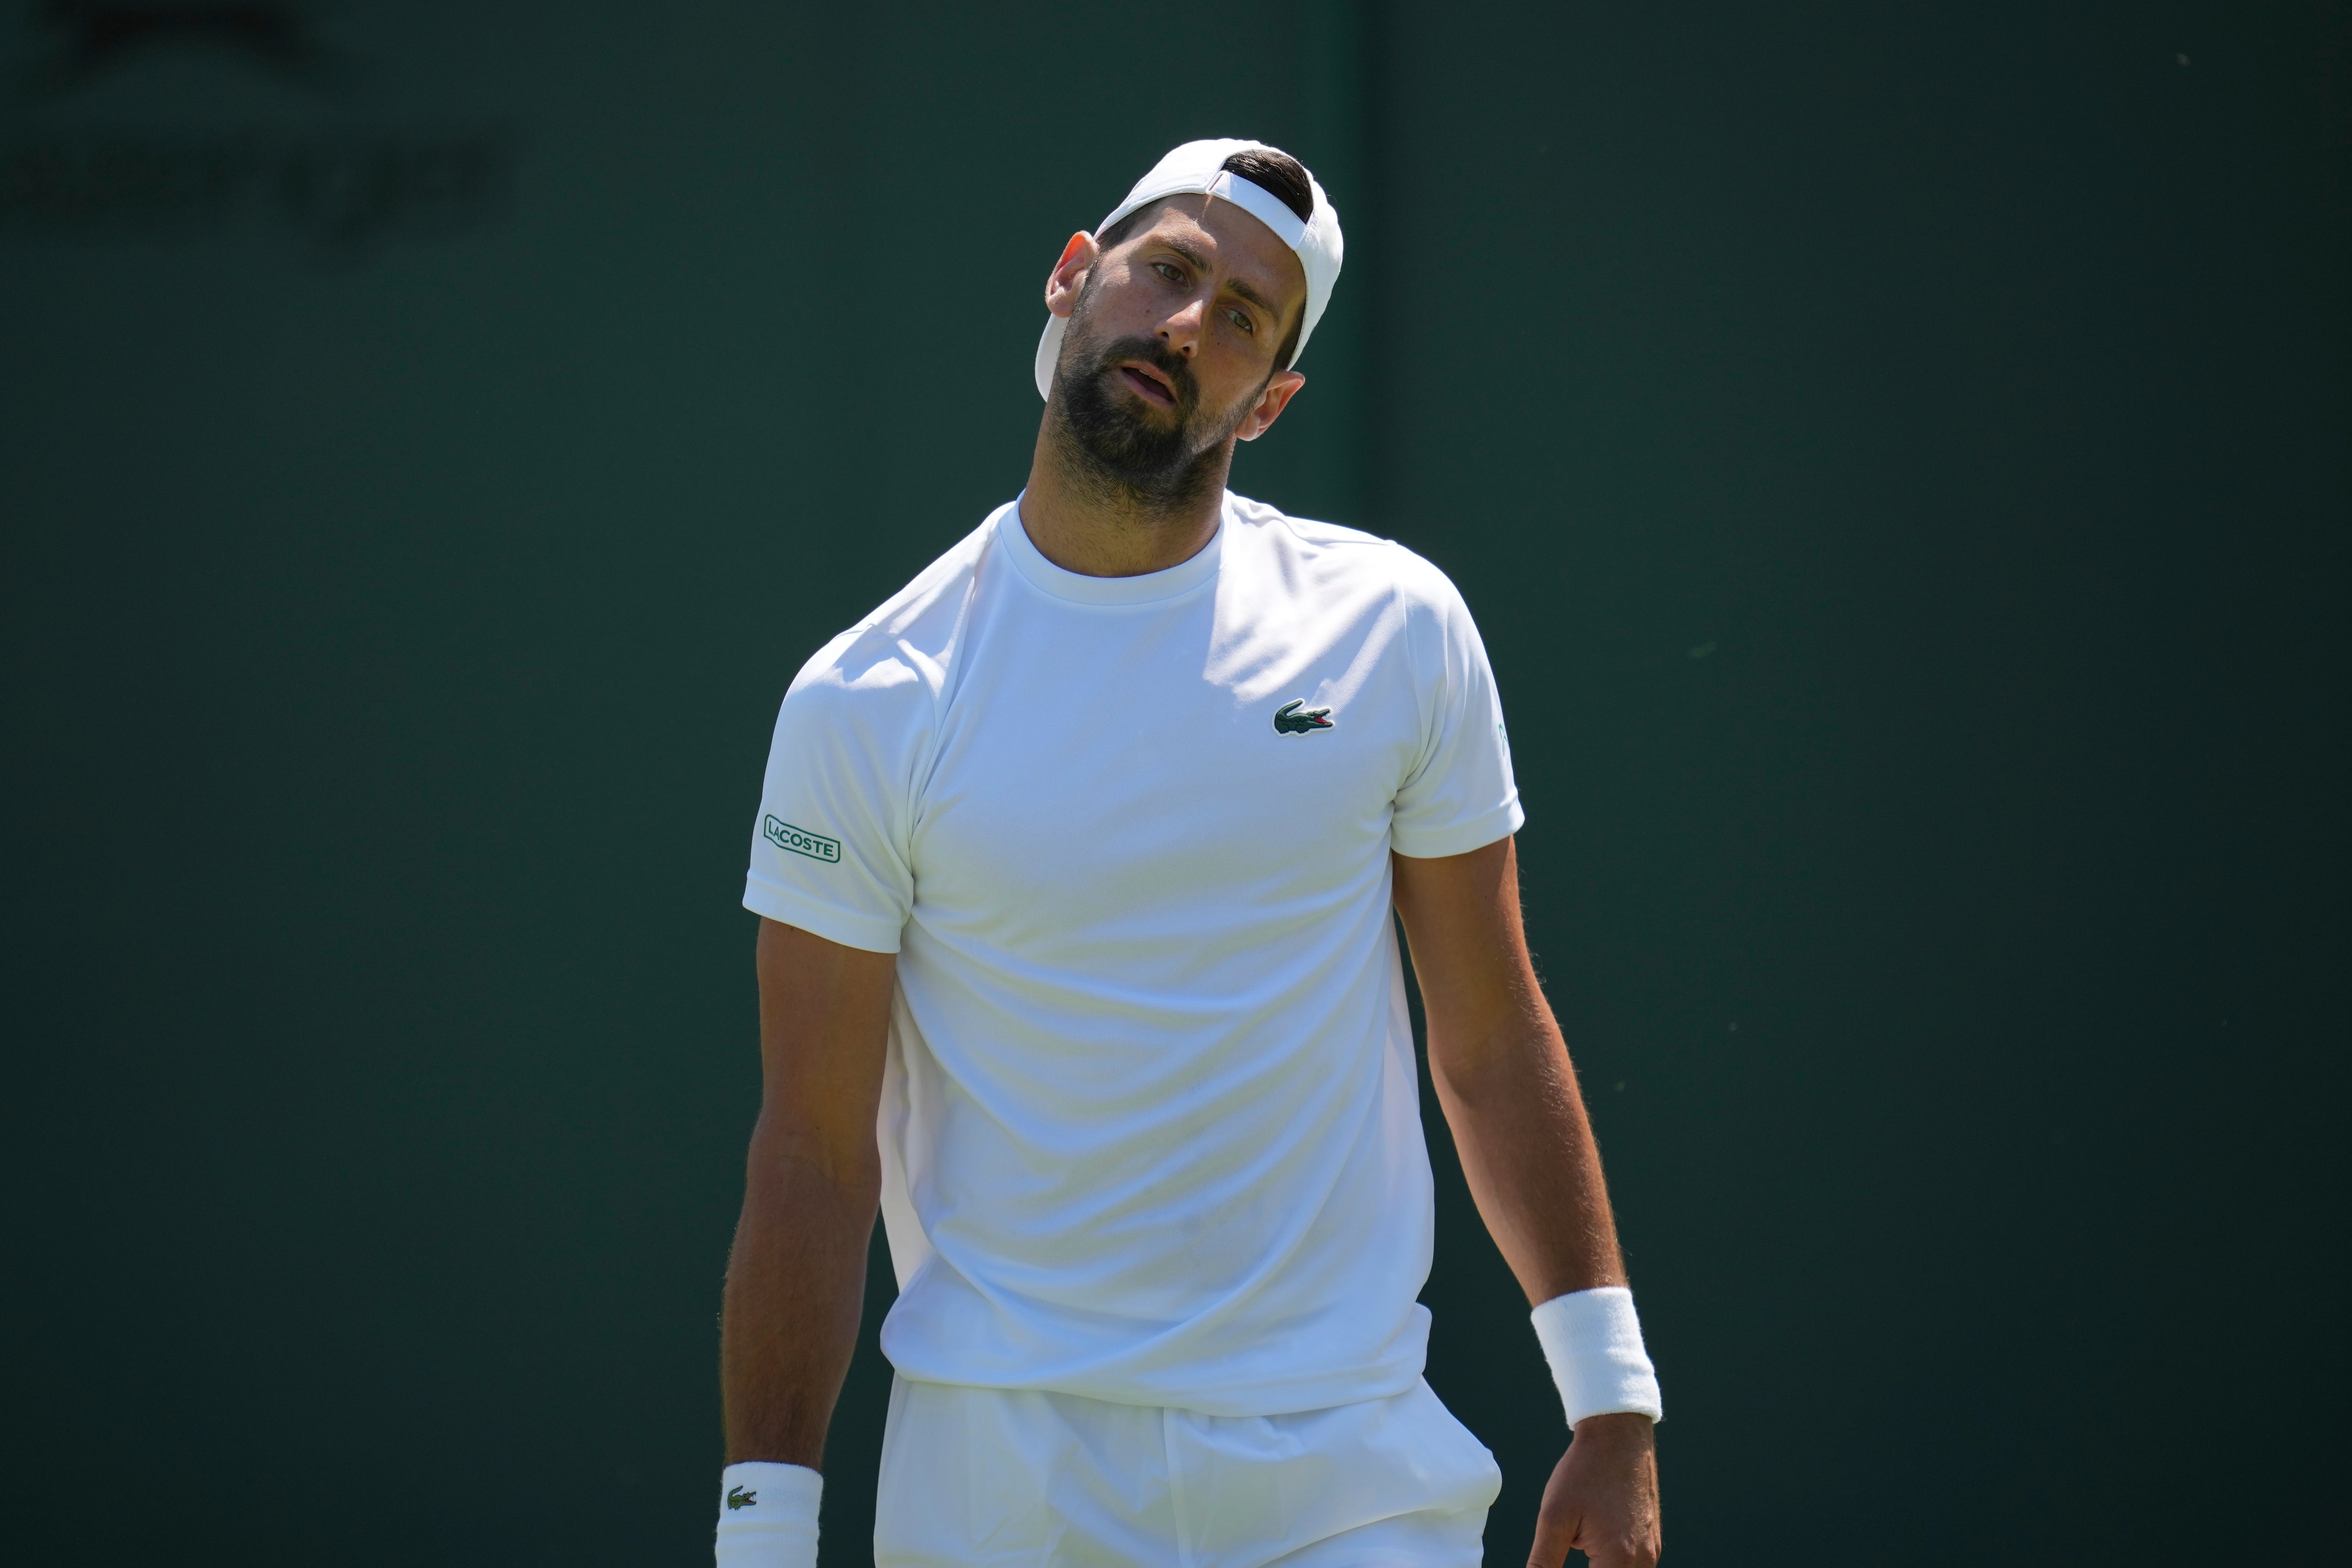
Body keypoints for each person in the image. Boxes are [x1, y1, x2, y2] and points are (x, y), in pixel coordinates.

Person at [715, 139, 1664, 1568]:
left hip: (1348, 1466)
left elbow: (1486, 1029)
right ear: (1072, 277)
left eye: (1242, 319)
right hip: (1000, 1480)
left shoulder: (1398, 631)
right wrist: (763, 1528)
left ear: (1271, 401)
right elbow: (812, 1153)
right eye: (1168, 271)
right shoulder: (867, 700)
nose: (1185, 324)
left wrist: (1613, 1406)